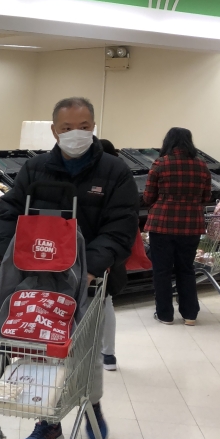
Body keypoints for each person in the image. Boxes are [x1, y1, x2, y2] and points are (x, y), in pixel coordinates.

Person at [0, 97, 139, 439]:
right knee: (41, 353)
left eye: (84, 127)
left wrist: (90, 267)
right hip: (38, 282)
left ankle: (91, 406)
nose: (77, 134)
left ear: (94, 127)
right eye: (68, 127)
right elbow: (10, 213)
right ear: (54, 130)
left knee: (86, 353)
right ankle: (48, 422)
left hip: (90, 283)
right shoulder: (35, 168)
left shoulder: (114, 171)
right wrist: (5, 255)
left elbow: (121, 227)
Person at [141, 127, 211, 326]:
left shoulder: (160, 164)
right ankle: (190, 315)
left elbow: (148, 197)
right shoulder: (202, 166)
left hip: (162, 225)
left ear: (168, 141)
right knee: (186, 269)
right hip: (191, 226)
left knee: (162, 271)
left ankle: (165, 315)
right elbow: (206, 197)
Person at [98, 139, 119, 372]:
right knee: (105, 300)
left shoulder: (100, 177)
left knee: (102, 300)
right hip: (111, 248)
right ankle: (108, 354)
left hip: (100, 248)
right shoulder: (121, 176)